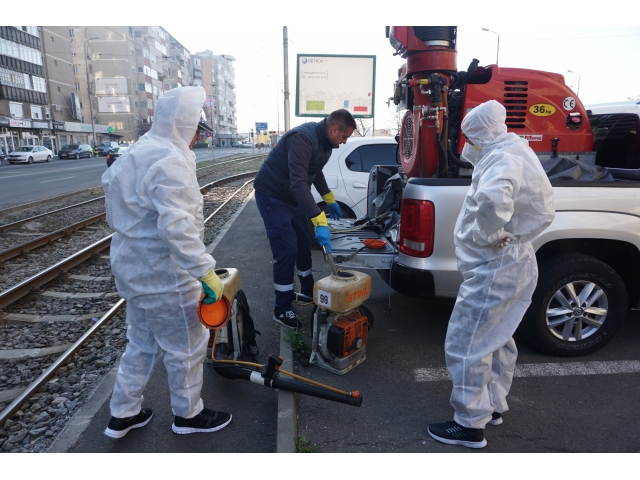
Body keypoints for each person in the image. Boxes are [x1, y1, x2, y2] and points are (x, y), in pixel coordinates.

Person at [101, 86, 232, 438]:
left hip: (131, 266)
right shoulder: (170, 161)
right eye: (196, 130)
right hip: (163, 272)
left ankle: (123, 413)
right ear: (184, 124)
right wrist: (205, 272)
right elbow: (177, 228)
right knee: (186, 346)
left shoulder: (137, 151)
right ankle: (188, 415)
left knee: (141, 343)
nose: (196, 138)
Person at [428, 100, 555, 449]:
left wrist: (491, 234)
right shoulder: (515, 149)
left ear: (481, 133)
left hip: (496, 264)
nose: (468, 144)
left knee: (468, 342)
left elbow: (492, 200)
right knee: (497, 338)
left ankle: (469, 424)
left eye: (470, 136)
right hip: (514, 261)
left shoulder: (502, 159)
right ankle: (493, 405)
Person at [254, 109, 356, 328]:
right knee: (286, 249)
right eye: (344, 136)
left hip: (292, 196)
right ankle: (281, 308)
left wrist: (329, 198)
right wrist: (319, 220)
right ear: (334, 129)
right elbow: (298, 183)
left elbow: (315, 171)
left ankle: (308, 290)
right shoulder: (302, 139)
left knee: (302, 244)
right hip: (273, 195)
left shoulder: (326, 144)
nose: (344, 141)